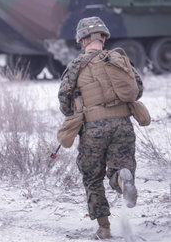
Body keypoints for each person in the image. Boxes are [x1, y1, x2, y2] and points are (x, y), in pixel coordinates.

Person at [58, 16, 143, 239]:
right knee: (120, 167)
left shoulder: (76, 65)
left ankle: (104, 228)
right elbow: (138, 89)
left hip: (93, 129)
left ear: (83, 40)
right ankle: (122, 181)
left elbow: (64, 102)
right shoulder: (120, 59)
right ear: (103, 37)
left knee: (93, 178)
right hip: (123, 126)